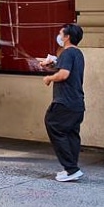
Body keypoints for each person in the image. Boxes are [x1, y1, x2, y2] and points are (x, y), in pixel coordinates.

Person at [43, 23, 86, 182]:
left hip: (64, 101)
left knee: (53, 124)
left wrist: (49, 78)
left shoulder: (67, 53)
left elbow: (64, 74)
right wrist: (50, 67)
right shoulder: (78, 53)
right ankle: (71, 169)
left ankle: (71, 168)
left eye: (61, 34)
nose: (59, 36)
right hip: (76, 102)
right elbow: (62, 70)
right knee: (71, 133)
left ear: (67, 37)